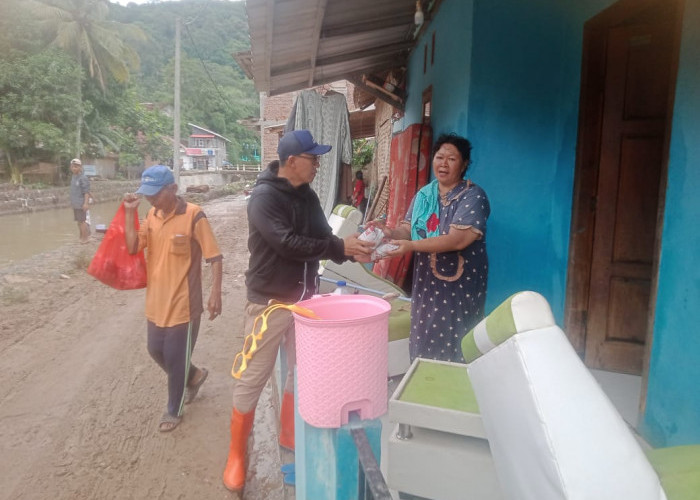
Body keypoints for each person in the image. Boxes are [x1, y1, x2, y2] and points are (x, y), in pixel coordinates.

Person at [222, 129, 373, 492]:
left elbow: (324, 235)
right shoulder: (262, 199)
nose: (319, 164)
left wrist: (350, 249)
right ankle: (236, 455)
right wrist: (338, 246)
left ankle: (292, 438)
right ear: (292, 161)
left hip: (305, 303)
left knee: (305, 374)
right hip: (269, 305)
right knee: (254, 377)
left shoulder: (306, 196)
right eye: (313, 158)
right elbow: (287, 244)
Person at [123, 165, 223, 432]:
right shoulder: (151, 215)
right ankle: (195, 376)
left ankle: (173, 411)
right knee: (155, 350)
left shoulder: (194, 215)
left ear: (173, 189)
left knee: (176, 357)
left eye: (155, 194)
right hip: (156, 301)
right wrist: (129, 214)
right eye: (147, 194)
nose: (151, 199)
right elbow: (133, 246)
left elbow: (214, 257)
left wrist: (215, 294)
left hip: (184, 303)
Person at [381, 133, 490, 363]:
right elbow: (408, 228)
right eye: (439, 157)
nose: (443, 163)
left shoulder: (473, 196)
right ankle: (425, 385)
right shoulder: (424, 195)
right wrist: (388, 233)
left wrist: (410, 245)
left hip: (460, 288)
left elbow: (457, 239)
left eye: (451, 158)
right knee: (425, 336)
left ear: (464, 164)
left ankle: (457, 390)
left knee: (459, 337)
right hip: (427, 286)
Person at [69, 158, 91, 243]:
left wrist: (86, 203)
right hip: (75, 203)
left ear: (80, 167)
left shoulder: (83, 178)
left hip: (81, 203)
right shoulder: (74, 177)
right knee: (79, 222)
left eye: (76, 167)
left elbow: (86, 192)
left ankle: (85, 239)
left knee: (82, 221)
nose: (74, 168)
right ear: (71, 167)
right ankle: (81, 237)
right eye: (73, 166)